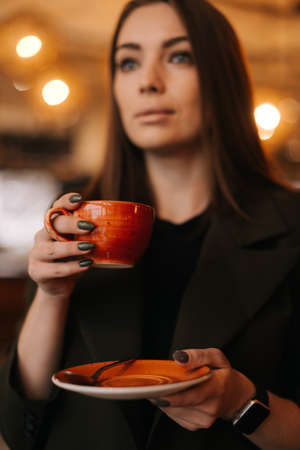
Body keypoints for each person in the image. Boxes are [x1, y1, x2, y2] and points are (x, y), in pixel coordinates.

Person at [1, 0, 300, 448]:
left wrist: (242, 402)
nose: (148, 82)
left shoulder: (291, 226)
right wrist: (50, 294)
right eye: (128, 62)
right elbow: (18, 426)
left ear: (223, 79)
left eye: (179, 56)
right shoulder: (74, 225)